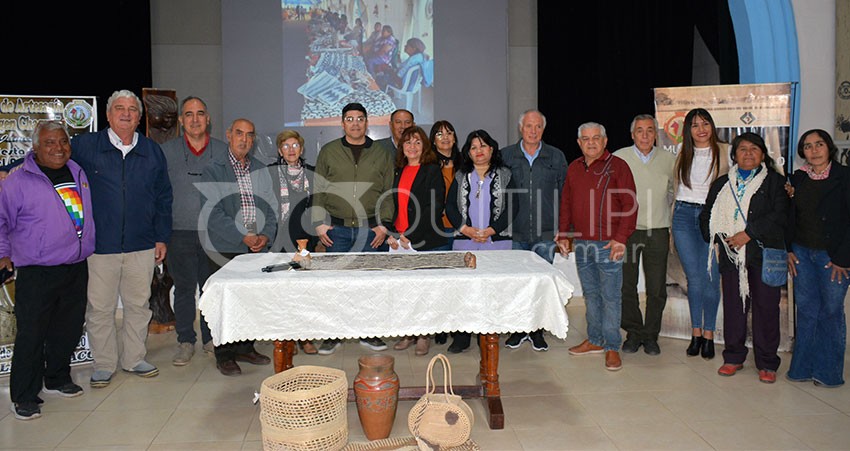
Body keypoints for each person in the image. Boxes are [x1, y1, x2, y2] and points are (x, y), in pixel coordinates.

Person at [71, 90, 173, 388]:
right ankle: (103, 363)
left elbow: (164, 197)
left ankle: (133, 359)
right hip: (100, 245)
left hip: (142, 244)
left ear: (140, 117)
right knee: (100, 308)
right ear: (108, 114)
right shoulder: (86, 146)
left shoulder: (152, 151)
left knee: (138, 305)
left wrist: (161, 237)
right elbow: (50, 158)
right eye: (119, 108)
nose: (126, 113)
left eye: (132, 109)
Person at [0, 121, 96, 420]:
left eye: (63, 142)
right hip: (37, 270)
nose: (58, 148)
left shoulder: (77, 171)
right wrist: (3, 253)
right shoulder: (17, 182)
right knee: (31, 334)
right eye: (50, 143)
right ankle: (25, 395)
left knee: (67, 328)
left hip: (75, 265)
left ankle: (56, 378)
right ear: (36, 148)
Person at [700, 132, 788, 383]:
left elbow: (780, 216)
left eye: (754, 149)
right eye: (743, 149)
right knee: (734, 308)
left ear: (762, 154)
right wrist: (718, 238)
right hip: (731, 256)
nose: (748, 153)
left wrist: (748, 234)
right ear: (735, 155)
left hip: (763, 255)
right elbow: (707, 214)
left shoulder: (774, 182)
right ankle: (734, 357)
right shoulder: (721, 183)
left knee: (766, 309)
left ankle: (767, 362)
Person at [311, 102, 394, 354]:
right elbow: (319, 189)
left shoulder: (381, 153)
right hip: (337, 230)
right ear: (343, 122)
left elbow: (389, 192)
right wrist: (318, 223)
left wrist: (384, 226)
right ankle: (334, 334)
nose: (355, 123)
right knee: (336, 285)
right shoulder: (328, 151)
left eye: (360, 118)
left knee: (371, 284)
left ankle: (369, 333)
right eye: (350, 118)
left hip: (372, 231)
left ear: (366, 122)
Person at [557, 122, 636, 371]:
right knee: (591, 295)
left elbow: (630, 206)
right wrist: (564, 235)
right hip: (582, 243)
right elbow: (567, 203)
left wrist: (621, 239)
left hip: (608, 244)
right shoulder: (574, 168)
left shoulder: (618, 167)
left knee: (610, 297)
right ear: (579, 143)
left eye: (596, 138)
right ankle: (595, 340)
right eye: (585, 138)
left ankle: (612, 346)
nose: (591, 142)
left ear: (605, 141)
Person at [199, 118, 275, 376]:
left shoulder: (260, 168)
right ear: (229, 135)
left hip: (256, 246)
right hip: (225, 246)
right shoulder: (213, 169)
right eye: (239, 133)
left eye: (250, 135)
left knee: (250, 300)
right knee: (224, 302)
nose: (244, 139)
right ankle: (224, 354)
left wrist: (265, 235)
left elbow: (270, 207)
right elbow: (213, 213)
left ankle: (245, 347)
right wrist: (243, 236)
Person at [161, 96, 229, 366]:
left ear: (208, 118)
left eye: (200, 113)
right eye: (189, 114)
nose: (195, 119)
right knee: (184, 289)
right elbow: (158, 193)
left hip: (214, 233)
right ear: (181, 120)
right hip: (179, 232)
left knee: (211, 289)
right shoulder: (166, 152)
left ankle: (210, 338)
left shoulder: (223, 151)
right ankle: (185, 341)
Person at [786, 129, 850, 387]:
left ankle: (828, 373)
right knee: (807, 311)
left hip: (833, 257)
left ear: (829, 147)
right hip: (801, 253)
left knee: (831, 312)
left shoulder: (845, 176)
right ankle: (802, 368)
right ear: (803, 151)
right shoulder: (798, 179)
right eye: (808, 146)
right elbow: (789, 217)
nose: (814, 150)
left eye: (819, 144)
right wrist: (788, 248)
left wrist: (844, 258)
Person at [445, 129, 518, 353]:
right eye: (473, 147)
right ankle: (462, 336)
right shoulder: (460, 175)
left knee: (492, 290)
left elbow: (513, 206)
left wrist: (491, 230)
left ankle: (488, 334)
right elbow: (450, 207)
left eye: (483, 146)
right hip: (465, 241)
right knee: (463, 290)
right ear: (468, 152)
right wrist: (465, 229)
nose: (479, 151)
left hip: (496, 242)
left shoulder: (505, 174)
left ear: (492, 149)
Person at [501, 109, 567, 352]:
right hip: (514, 233)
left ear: (543, 129)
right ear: (521, 128)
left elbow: (566, 195)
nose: (533, 131)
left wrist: (564, 229)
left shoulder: (556, 156)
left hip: (545, 233)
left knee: (540, 283)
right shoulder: (506, 155)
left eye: (538, 126)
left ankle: (537, 331)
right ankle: (519, 329)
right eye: (529, 126)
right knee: (517, 283)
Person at [613, 114, 675, 356]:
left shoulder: (669, 160)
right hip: (627, 232)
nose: (646, 135)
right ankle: (633, 332)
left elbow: (674, 192)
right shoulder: (619, 158)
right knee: (626, 286)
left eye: (650, 130)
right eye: (640, 131)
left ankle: (650, 335)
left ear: (656, 134)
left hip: (658, 231)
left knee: (657, 287)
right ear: (632, 134)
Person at [384, 126, 447, 356]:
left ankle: (424, 336)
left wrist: (409, 234)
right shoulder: (398, 171)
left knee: (423, 292)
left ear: (425, 147)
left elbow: (434, 208)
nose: (412, 147)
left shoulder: (431, 171)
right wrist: (391, 233)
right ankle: (409, 333)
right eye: (407, 142)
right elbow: (392, 204)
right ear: (401, 147)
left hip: (420, 240)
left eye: (417, 142)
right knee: (404, 292)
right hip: (397, 241)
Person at [672, 108, 729, 359]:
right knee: (693, 279)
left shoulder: (725, 151)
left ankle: (709, 335)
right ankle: (695, 333)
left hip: (712, 217)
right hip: (683, 216)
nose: (701, 129)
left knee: (711, 278)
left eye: (705, 123)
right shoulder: (682, 154)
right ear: (688, 130)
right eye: (695, 125)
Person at [268, 129, 319, 355]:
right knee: (280, 291)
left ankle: (305, 337)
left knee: (304, 291)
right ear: (280, 150)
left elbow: (318, 208)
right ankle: (284, 337)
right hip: (278, 239)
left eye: (295, 145)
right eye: (286, 146)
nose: (291, 150)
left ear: (302, 148)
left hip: (304, 239)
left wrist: (314, 240)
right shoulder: (269, 173)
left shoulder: (312, 174)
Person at [429, 120, 462, 345]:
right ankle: (440, 326)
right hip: (437, 228)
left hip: (462, 228)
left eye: (449, 133)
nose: (445, 138)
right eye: (440, 134)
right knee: (439, 280)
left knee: (458, 282)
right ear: (433, 140)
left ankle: (458, 326)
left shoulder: (465, 163)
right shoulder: (428, 164)